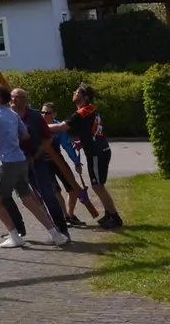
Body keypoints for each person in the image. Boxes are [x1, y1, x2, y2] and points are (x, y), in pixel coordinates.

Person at [0, 86, 60, 248]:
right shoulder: (13, 114)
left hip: (9, 163)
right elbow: (25, 135)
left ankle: (14, 235)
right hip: (21, 160)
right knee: (28, 199)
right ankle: (55, 234)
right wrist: (10, 138)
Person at [10, 88, 71, 246]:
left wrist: (36, 155)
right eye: (12, 97)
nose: (14, 100)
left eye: (18, 98)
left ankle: (61, 231)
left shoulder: (35, 116)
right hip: (16, 163)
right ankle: (16, 231)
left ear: (24, 99)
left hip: (36, 162)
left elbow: (48, 138)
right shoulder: (8, 116)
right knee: (12, 196)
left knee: (48, 195)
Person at [65, 83, 124, 228]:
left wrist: (42, 126)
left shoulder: (82, 112)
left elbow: (62, 127)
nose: (74, 93)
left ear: (84, 97)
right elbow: (90, 131)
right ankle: (109, 214)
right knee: (98, 185)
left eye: (77, 92)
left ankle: (115, 217)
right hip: (99, 150)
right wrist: (82, 142)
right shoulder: (90, 109)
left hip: (97, 152)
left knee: (98, 186)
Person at [42, 100, 99, 226]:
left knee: (72, 188)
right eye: (42, 112)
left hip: (58, 160)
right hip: (43, 163)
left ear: (54, 114)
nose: (44, 115)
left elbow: (67, 146)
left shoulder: (59, 127)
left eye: (47, 113)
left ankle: (70, 215)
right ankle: (64, 216)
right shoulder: (38, 126)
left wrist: (77, 163)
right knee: (56, 191)